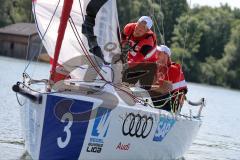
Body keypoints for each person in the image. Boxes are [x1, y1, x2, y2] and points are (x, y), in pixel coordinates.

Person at [121, 16, 158, 89]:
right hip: (132, 59)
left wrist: (124, 66)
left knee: (144, 89)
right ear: (136, 23)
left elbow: (138, 59)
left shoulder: (148, 41)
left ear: (147, 31)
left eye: (142, 29)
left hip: (148, 64)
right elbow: (121, 40)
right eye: (138, 26)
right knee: (123, 82)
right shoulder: (128, 27)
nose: (138, 30)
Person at [150, 45, 187, 112]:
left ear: (165, 55)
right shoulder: (159, 68)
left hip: (172, 105)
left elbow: (163, 89)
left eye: (159, 52)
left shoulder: (173, 69)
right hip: (163, 100)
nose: (156, 53)